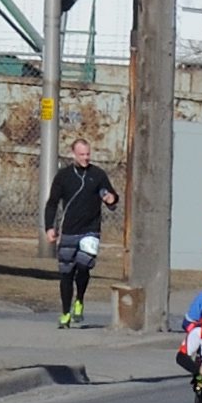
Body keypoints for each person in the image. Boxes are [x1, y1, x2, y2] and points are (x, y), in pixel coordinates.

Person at [44, 132, 121, 330]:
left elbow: (110, 195)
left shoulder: (98, 175)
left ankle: (80, 298)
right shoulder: (63, 177)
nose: (85, 158)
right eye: (81, 154)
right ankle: (65, 312)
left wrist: (111, 199)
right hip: (69, 230)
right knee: (66, 273)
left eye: (87, 154)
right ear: (73, 155)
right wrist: (49, 227)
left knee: (84, 266)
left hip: (90, 230)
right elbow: (52, 203)